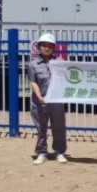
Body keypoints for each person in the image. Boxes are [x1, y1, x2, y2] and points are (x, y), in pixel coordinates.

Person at [28, 33, 67, 165]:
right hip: (40, 102)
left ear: (54, 47)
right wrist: (39, 96)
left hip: (56, 102)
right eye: (44, 45)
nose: (47, 48)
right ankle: (42, 152)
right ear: (39, 47)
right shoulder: (33, 64)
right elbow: (33, 82)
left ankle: (59, 152)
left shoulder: (60, 62)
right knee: (41, 129)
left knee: (59, 128)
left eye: (50, 46)